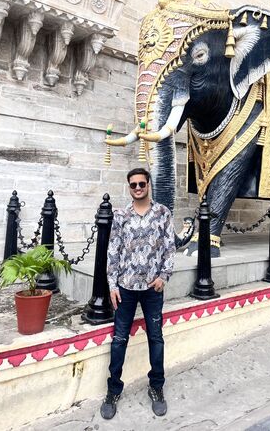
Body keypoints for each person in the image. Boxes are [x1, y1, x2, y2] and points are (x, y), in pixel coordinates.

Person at [100, 167, 176, 420]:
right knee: (119, 339)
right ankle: (113, 390)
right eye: (133, 185)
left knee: (156, 337)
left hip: (153, 288)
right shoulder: (121, 215)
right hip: (126, 288)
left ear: (148, 184)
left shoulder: (162, 213)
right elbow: (113, 251)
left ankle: (156, 387)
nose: (138, 188)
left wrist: (164, 275)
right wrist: (112, 285)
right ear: (129, 187)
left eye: (142, 184)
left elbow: (169, 247)